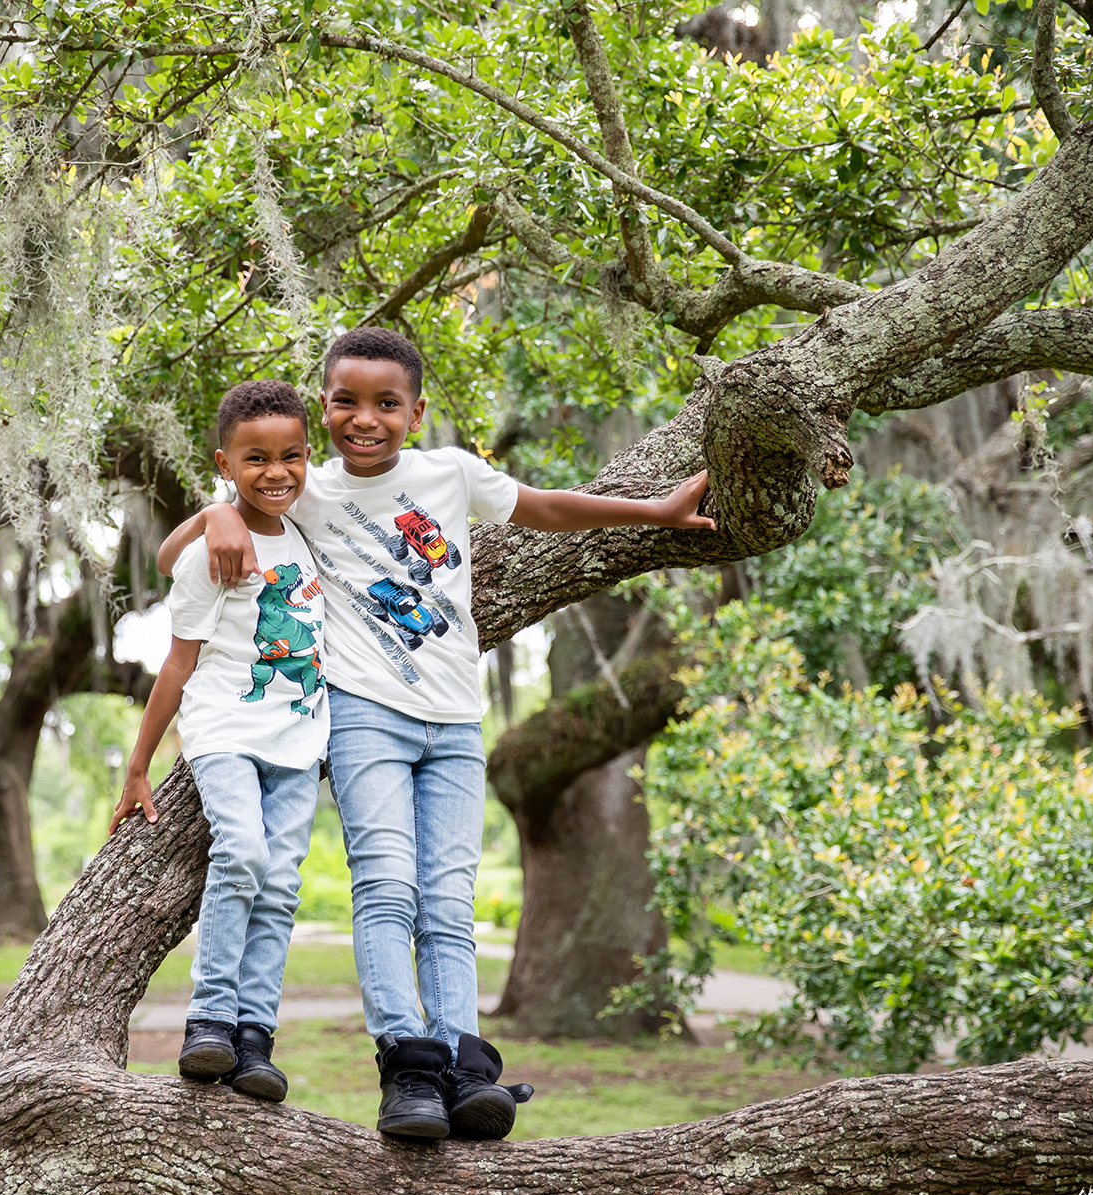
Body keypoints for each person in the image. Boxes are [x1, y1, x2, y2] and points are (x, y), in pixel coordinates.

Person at [159, 327, 716, 1141]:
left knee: (450, 902)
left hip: (456, 722)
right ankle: (407, 1066)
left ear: (416, 412)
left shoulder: (449, 473)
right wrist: (214, 514)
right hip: (364, 716)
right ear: (323, 408)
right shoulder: (305, 487)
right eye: (346, 401)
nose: (366, 418)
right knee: (387, 886)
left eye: (387, 403)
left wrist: (654, 512)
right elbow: (182, 549)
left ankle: (462, 1066)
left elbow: (547, 508)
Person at [112, 379, 327, 1102]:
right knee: (242, 854)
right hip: (227, 731)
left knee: (282, 883)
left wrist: (216, 510)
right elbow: (177, 661)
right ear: (225, 464)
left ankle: (255, 1037)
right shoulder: (214, 550)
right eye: (256, 458)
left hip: (301, 741)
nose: (276, 471)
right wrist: (138, 765)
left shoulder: (307, 529)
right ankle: (209, 1021)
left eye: (291, 455)